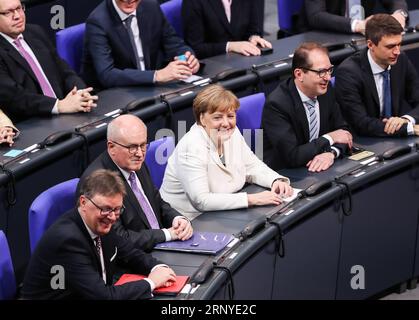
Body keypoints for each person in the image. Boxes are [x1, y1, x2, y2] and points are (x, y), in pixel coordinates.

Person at [22, 169, 177, 300]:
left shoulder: (101, 223)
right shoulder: (68, 240)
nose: (112, 217)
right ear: (83, 203)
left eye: (117, 209)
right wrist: (151, 283)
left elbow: (130, 252)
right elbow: (103, 297)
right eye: (106, 209)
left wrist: (157, 267)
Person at [160, 84, 293, 220]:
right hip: (191, 221)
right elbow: (201, 200)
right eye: (217, 117)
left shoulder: (232, 133)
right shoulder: (190, 147)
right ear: (202, 119)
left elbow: (251, 165)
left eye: (230, 116)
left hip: (224, 213)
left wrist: (275, 180)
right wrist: (252, 199)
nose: (226, 123)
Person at [79, 114, 193, 252]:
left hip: (159, 245)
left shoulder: (135, 163)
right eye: (132, 147)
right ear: (111, 147)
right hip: (132, 258)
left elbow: (157, 202)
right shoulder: (97, 182)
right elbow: (117, 239)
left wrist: (177, 219)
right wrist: (167, 234)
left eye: (143, 145)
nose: (139, 153)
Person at [0, 0, 98, 122]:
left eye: (19, 8)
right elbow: (15, 98)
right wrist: (59, 106)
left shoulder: (35, 32)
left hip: (66, 111)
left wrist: (81, 93)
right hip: (32, 122)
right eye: (8, 12)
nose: (17, 16)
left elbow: (64, 71)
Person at [262, 42, 352, 172]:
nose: (328, 77)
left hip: (314, 167)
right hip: (284, 173)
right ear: (299, 74)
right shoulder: (277, 104)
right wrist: (330, 138)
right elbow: (292, 156)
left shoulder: (325, 90)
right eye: (321, 72)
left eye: (329, 70)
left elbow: (343, 132)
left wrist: (331, 153)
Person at [82, 0, 200, 89]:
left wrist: (188, 58)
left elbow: (174, 44)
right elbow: (107, 74)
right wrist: (156, 75)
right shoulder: (98, 21)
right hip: (120, 92)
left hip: (152, 89)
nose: (129, 0)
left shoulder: (151, 6)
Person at [335, 14, 419, 137]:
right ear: (370, 45)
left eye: (399, 44)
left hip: (394, 138)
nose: (397, 51)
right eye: (390, 46)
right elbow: (361, 123)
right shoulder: (348, 73)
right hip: (364, 141)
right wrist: (408, 128)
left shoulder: (401, 60)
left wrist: (407, 119)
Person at [181, 0, 271, 59]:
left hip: (242, 60)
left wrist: (253, 37)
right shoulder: (193, 2)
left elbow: (252, 28)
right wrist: (229, 46)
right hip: (212, 65)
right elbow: (195, 48)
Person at [299, 0, 408, 34]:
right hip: (323, 35)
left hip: (362, 36)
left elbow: (396, 1)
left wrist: (399, 14)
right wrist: (357, 25)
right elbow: (316, 16)